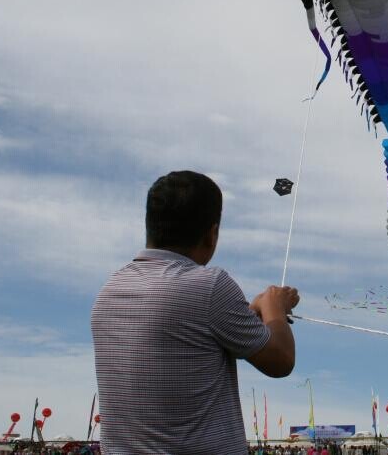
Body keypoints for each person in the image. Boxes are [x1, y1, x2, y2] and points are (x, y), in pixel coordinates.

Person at [91, 171, 299, 455]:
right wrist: (274, 303)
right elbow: (280, 360)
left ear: (150, 225)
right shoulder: (209, 286)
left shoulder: (110, 291)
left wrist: (253, 310)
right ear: (211, 234)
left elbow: (196, 336)